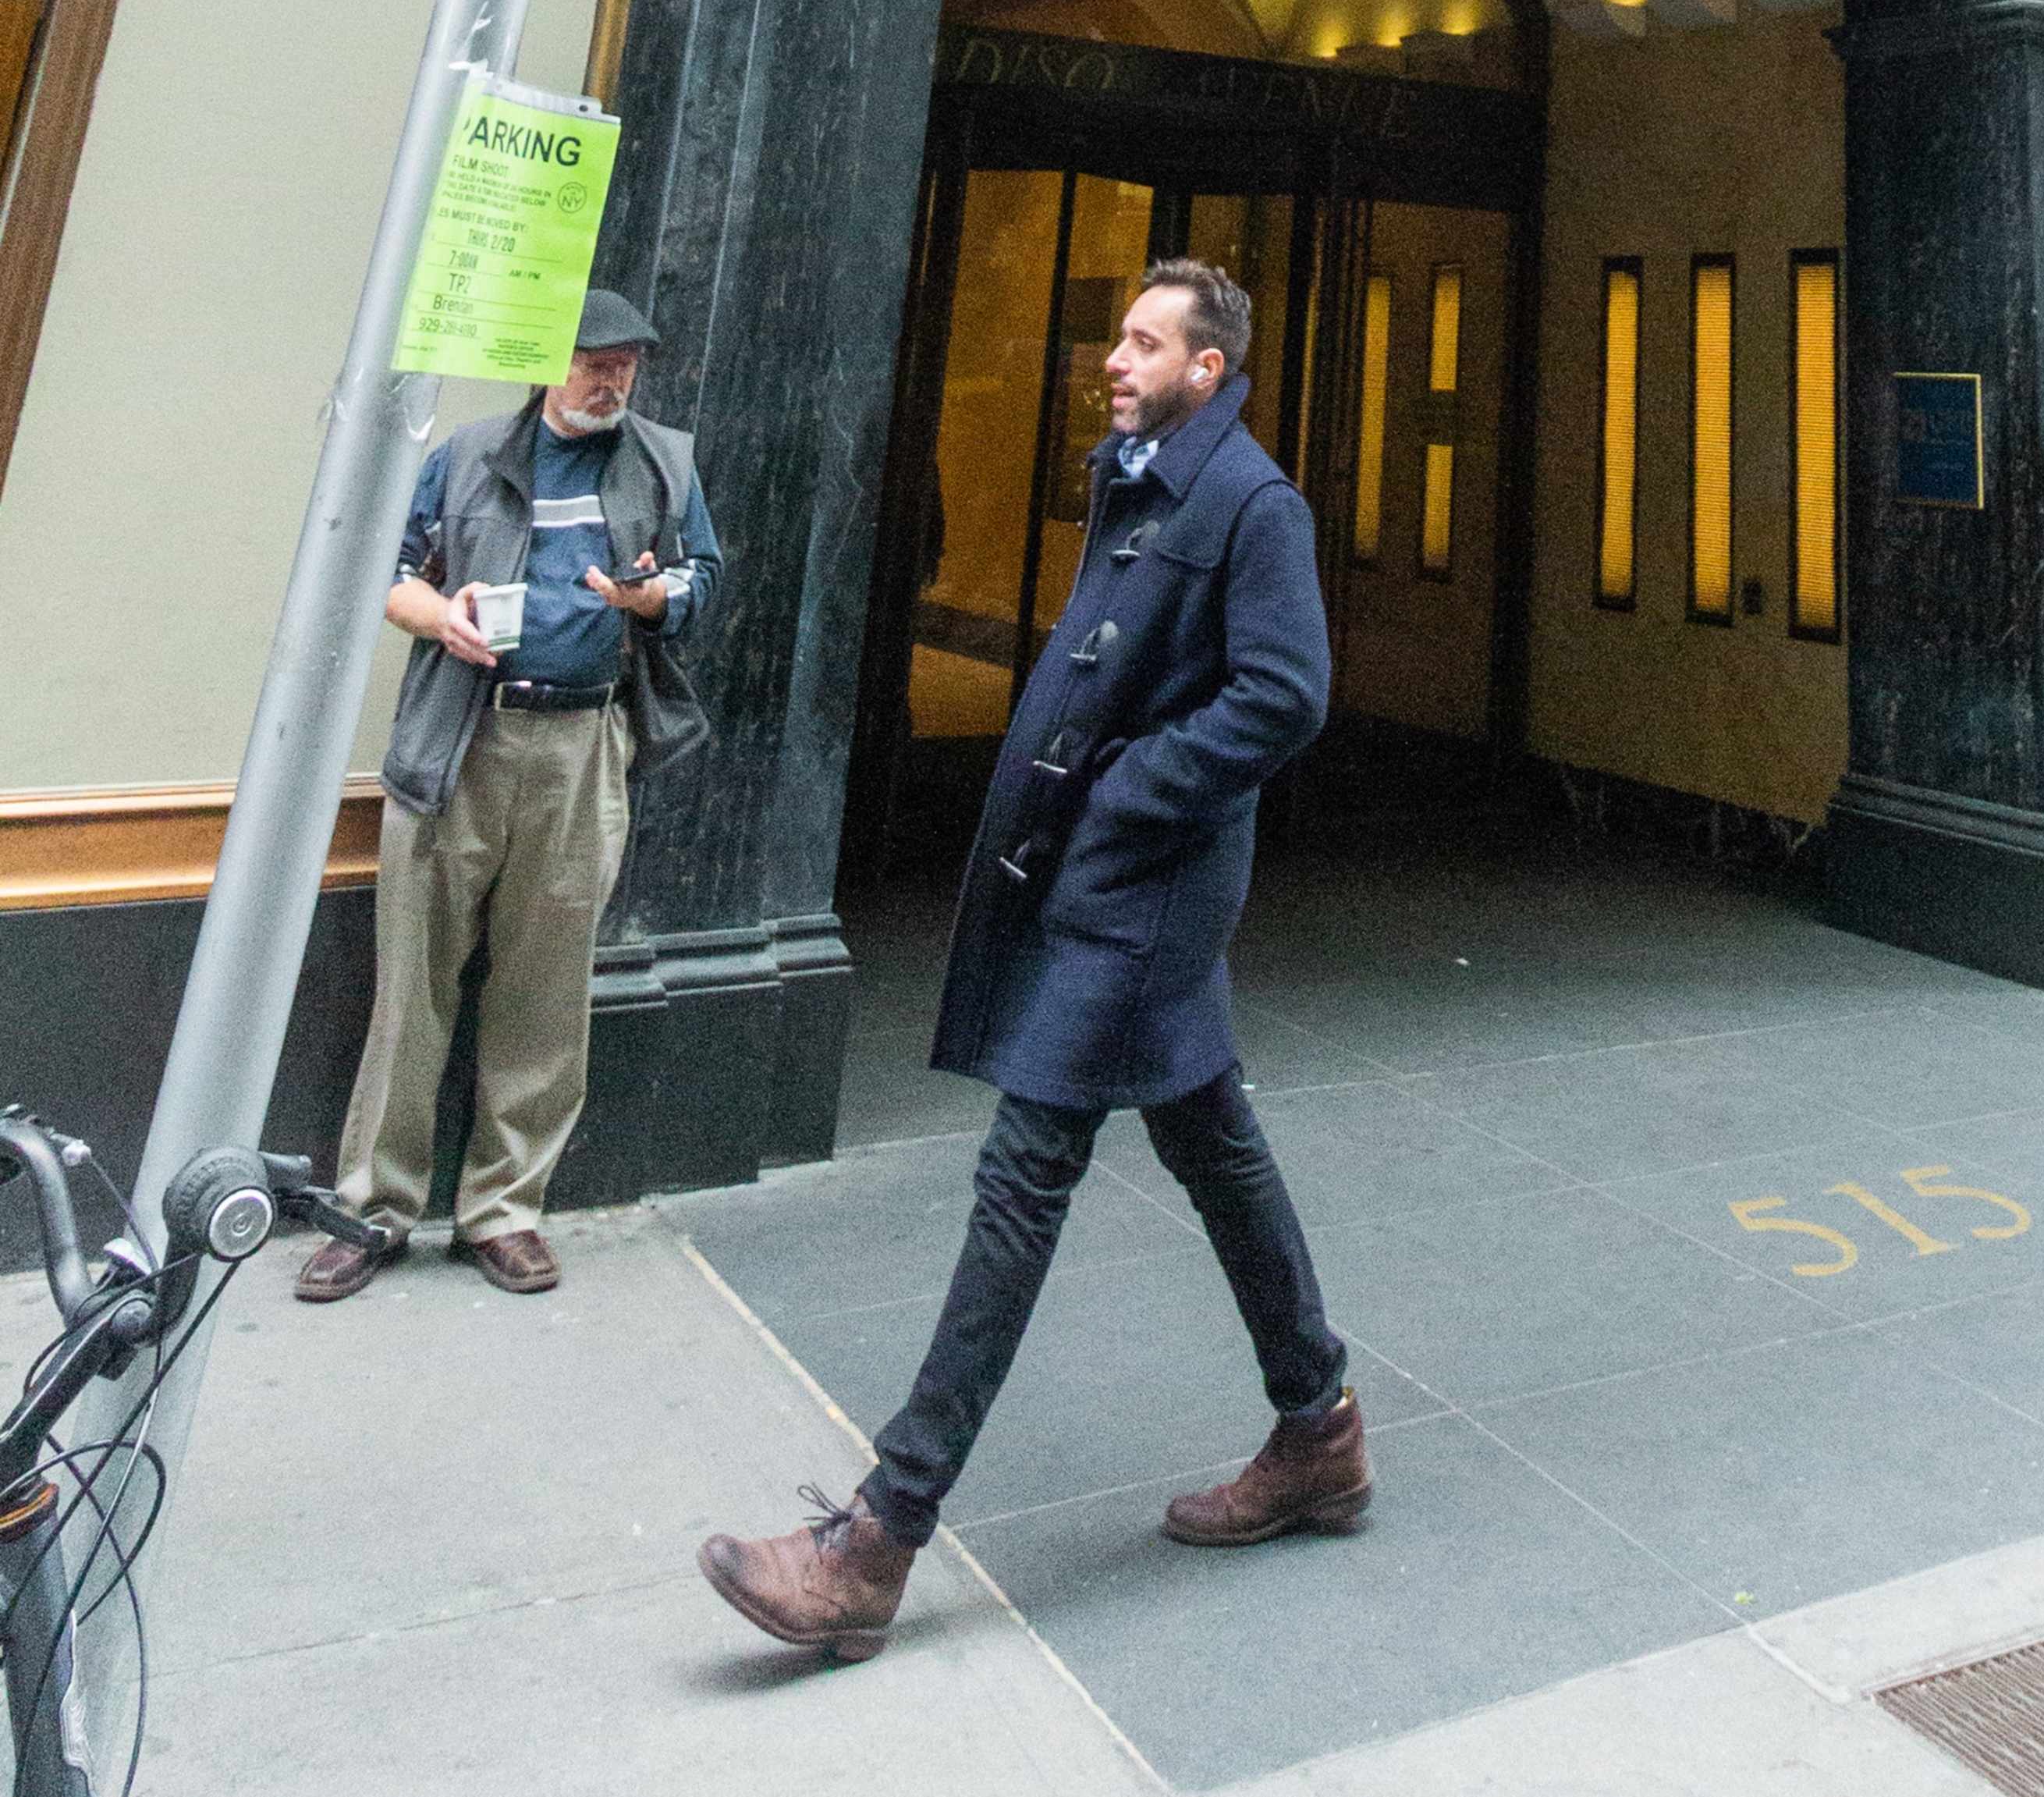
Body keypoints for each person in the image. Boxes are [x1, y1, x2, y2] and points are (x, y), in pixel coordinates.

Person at [699, 258, 1357, 1663]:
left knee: (1024, 1174)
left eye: (1142, 340)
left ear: (1207, 365)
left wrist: (1131, 793)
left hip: (1149, 895)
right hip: (1111, 880)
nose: (1114, 357)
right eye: (1119, 337)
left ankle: (878, 1535)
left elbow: (1288, 692)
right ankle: (1321, 1428)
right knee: (1214, 1145)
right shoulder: (1141, 471)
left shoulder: (1250, 501)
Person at [295, 281, 722, 1301]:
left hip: (583, 747)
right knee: (414, 990)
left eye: (625, 360)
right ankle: (375, 1208)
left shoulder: (667, 459)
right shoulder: (468, 454)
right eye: (592, 358)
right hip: (462, 739)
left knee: (544, 988)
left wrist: (657, 595)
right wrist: (440, 615)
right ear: (545, 363)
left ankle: (504, 1211)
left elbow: (706, 577)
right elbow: (380, 572)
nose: (611, 375)